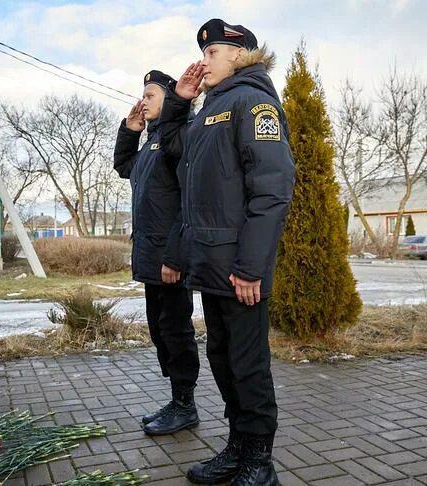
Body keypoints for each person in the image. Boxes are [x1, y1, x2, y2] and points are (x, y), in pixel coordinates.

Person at [159, 19, 295, 485]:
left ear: (238, 54)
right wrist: (179, 99)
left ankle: (260, 462)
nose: (204, 61)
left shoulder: (255, 104)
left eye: (212, 52)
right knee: (222, 359)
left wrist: (252, 266)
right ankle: (238, 448)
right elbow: (172, 152)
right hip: (210, 266)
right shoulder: (208, 111)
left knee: (248, 366)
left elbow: (272, 191)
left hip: (241, 270)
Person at [113, 70, 200, 435]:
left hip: (170, 258)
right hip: (151, 257)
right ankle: (177, 399)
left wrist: (175, 256)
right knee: (160, 331)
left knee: (176, 331)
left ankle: (186, 405)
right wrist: (130, 131)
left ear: (171, 98)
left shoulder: (177, 138)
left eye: (151, 94)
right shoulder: (154, 141)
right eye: (142, 94)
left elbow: (189, 201)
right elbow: (123, 167)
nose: (143, 100)